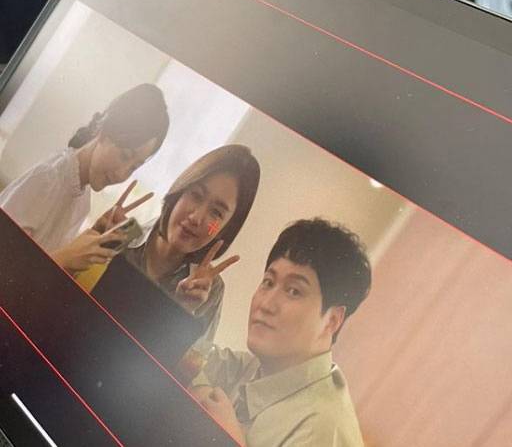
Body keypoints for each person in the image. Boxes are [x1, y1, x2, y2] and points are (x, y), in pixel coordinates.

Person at [190, 218, 371, 447]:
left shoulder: (323, 429)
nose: (266, 304)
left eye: (294, 291)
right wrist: (185, 305)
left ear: (332, 320)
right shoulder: (260, 368)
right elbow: (191, 358)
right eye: (268, 282)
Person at [0, 83, 170, 272]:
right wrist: (65, 258)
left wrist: (96, 234)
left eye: (134, 167)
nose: (122, 174)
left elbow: (40, 267)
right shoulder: (47, 179)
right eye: (124, 156)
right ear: (104, 132)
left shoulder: (82, 197)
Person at [120, 144, 261, 344]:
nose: (196, 218)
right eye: (196, 195)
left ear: (225, 229)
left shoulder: (209, 289)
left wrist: (181, 311)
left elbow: (185, 361)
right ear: (180, 190)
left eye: (216, 213)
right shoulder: (123, 234)